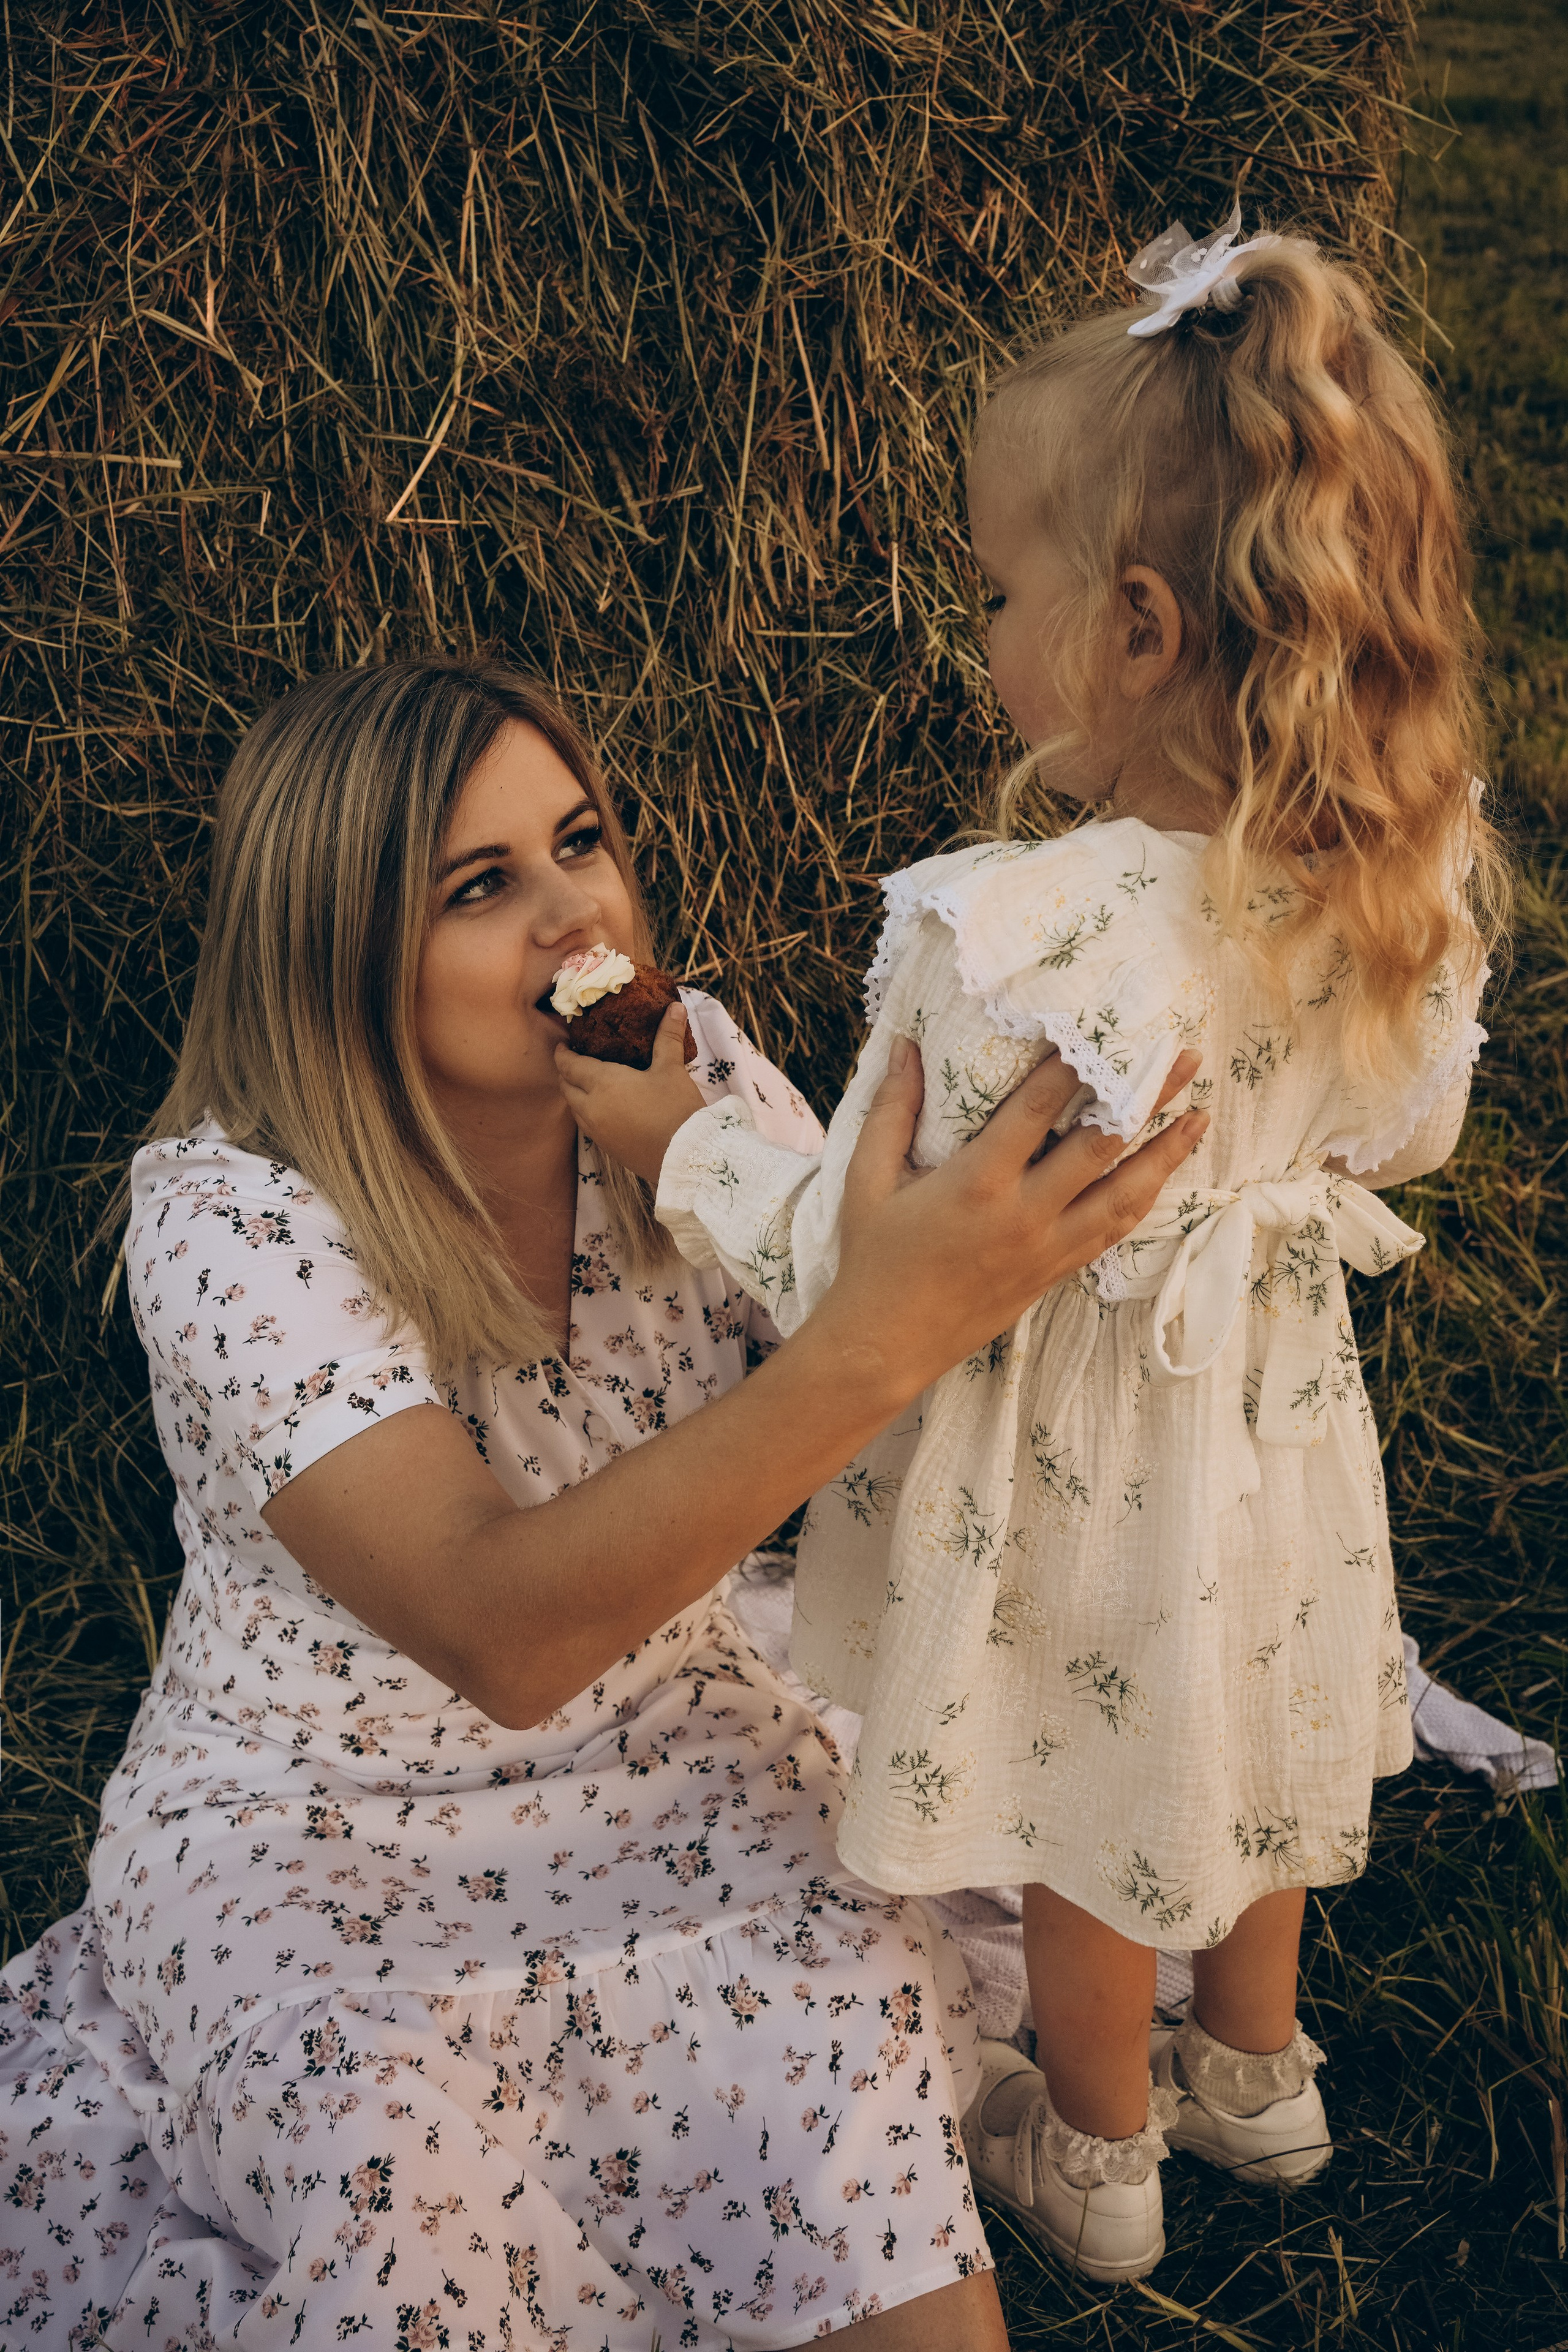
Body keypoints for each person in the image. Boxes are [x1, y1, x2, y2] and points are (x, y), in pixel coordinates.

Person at [0, 659, 1207, 2351]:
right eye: (481, 888)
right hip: (320, 1821)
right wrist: (880, 1335)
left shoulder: (682, 1064)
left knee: (834, 2088)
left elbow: (902, 1368)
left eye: (582, 841)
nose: (578, 912)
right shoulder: (228, 1214)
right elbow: (503, 1629)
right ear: (339, 956)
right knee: (395, 2166)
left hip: (685, 1745)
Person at [562, 210, 1506, 2284]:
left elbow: (858, 1250)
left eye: (1004, 592)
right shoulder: (1398, 874)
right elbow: (1407, 1129)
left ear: (1141, 628)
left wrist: (680, 1142)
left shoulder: (1010, 932)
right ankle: (1259, 2072)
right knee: (1246, 1712)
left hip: (1079, 1465)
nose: (983, 632)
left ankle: (1096, 2147)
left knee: (1092, 1769)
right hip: (1268, 1421)